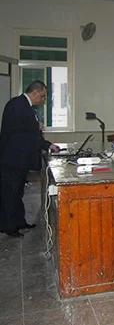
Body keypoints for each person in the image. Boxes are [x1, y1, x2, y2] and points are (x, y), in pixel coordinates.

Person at [0, 81, 60, 237]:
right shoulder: (17, 105)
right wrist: (45, 140)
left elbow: (28, 132)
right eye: (42, 96)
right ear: (35, 92)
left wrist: (40, 132)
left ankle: (19, 222)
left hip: (19, 158)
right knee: (10, 193)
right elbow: (25, 134)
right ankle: (8, 226)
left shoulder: (25, 106)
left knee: (18, 192)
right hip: (12, 158)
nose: (42, 100)